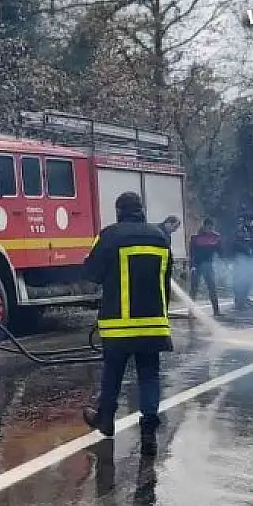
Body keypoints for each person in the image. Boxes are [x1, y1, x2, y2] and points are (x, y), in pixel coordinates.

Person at [82, 191, 172, 456]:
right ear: (141, 210)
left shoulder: (109, 236)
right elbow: (165, 281)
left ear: (119, 211)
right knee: (149, 377)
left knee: (112, 374)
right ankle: (148, 433)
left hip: (118, 325)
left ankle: (106, 420)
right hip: (154, 324)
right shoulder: (160, 238)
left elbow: (92, 273)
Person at [188, 217, 222, 315]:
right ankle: (190, 311)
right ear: (204, 226)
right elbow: (192, 253)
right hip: (197, 265)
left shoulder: (215, 236)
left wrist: (224, 260)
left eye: (211, 227)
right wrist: (192, 266)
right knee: (194, 288)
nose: (210, 229)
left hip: (208, 265)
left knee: (212, 287)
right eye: (208, 227)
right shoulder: (195, 237)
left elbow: (220, 251)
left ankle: (216, 311)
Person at [231, 216, 253, 310]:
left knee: (248, 280)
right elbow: (237, 244)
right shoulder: (240, 230)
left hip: (246, 259)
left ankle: (244, 299)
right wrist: (247, 249)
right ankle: (240, 302)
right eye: (250, 220)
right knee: (240, 280)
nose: (252, 222)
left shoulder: (246, 230)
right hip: (240, 259)